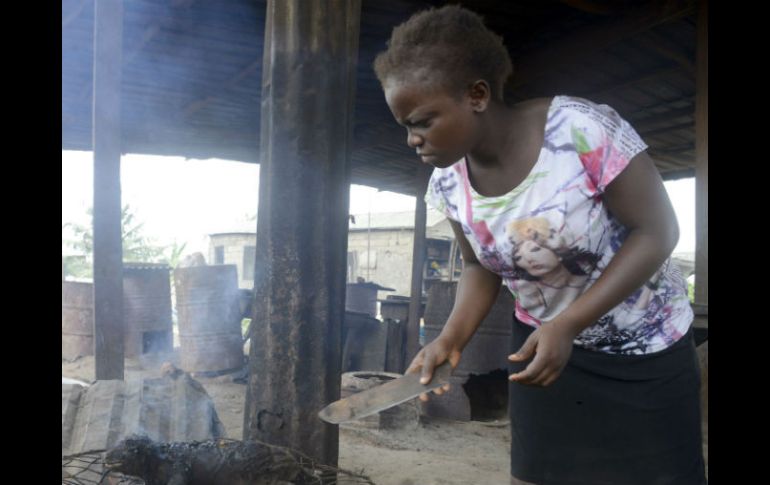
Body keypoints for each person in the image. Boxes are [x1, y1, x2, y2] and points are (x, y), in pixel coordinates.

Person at [373, 5, 706, 485]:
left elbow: (657, 232)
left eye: (422, 121)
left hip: (644, 351)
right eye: (405, 126)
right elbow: (479, 268)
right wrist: (449, 340)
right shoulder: (447, 184)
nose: (411, 139)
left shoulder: (579, 130)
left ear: (477, 95)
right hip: (540, 353)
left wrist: (568, 323)